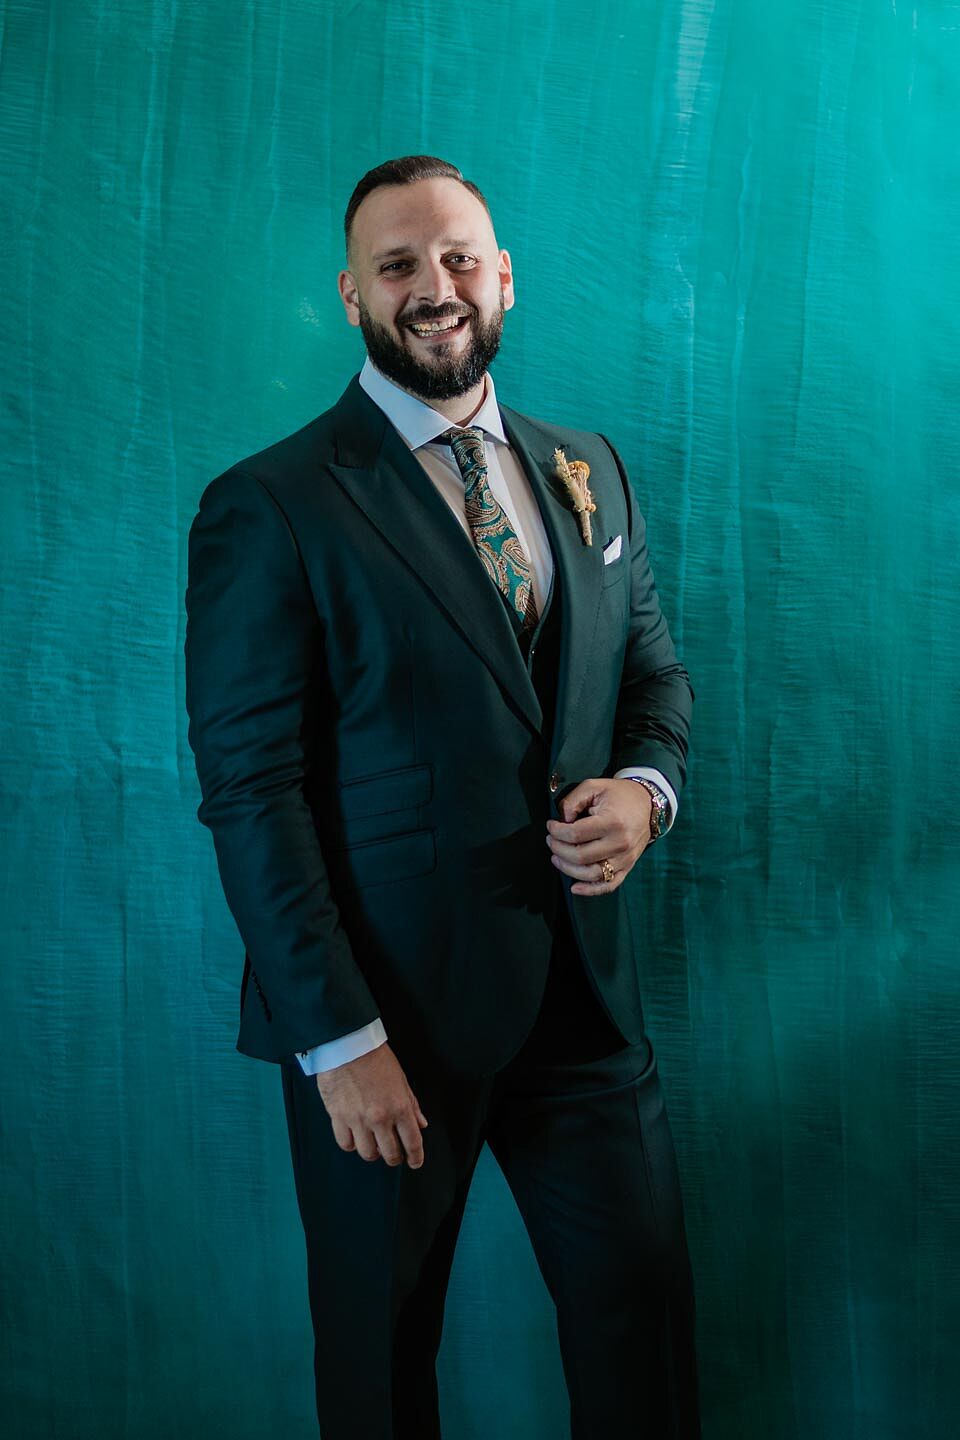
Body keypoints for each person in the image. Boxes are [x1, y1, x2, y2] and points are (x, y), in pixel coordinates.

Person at [184, 154, 701, 1439]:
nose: (435, 288)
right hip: (387, 1033)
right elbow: (253, 790)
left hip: (588, 1019)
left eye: (460, 257)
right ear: (349, 292)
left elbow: (653, 682)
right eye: (399, 265)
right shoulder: (274, 504)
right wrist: (339, 1045)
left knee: (646, 1351)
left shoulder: (593, 470)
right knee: (381, 1370)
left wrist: (647, 791)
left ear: (504, 276)